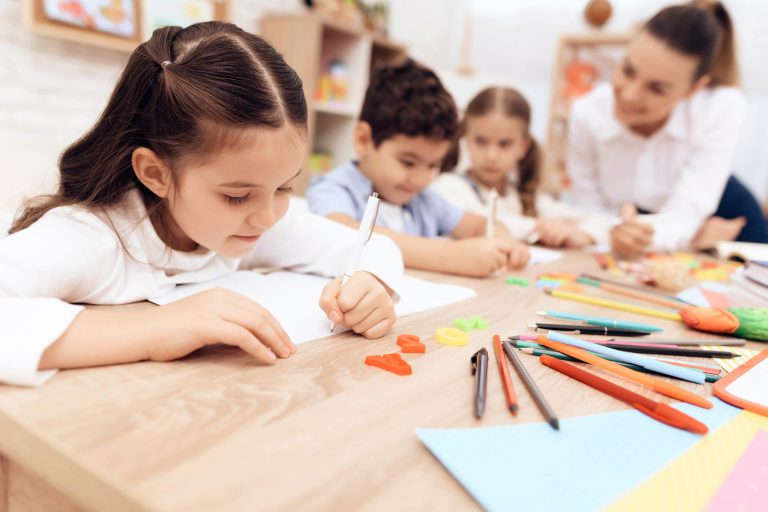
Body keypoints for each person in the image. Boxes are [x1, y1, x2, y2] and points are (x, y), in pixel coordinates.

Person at [0, 22, 403, 387]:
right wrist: (154, 330)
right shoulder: (90, 237)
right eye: (236, 196)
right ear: (156, 174)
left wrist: (372, 283)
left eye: (284, 188)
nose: (268, 216)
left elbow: (373, 245)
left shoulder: (255, 220)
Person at [568, 1, 768, 259]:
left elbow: (686, 212)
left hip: (725, 219)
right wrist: (615, 230)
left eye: (656, 88)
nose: (629, 94)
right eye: (628, 70)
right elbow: (589, 209)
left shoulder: (721, 105)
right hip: (656, 233)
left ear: (692, 90)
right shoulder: (586, 113)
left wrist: (632, 233)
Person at [306, 60, 530, 277]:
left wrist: (502, 243)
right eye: (408, 162)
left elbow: (479, 225)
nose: (422, 179)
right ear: (364, 140)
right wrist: (448, 256)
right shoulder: (334, 188)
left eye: (433, 165)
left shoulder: (423, 200)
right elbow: (343, 233)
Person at [432, 86, 608, 249]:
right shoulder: (447, 186)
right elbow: (482, 223)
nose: (491, 156)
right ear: (465, 139)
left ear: (523, 146)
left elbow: (603, 221)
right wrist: (548, 228)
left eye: (505, 144)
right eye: (481, 142)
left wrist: (579, 233)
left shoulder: (524, 196)